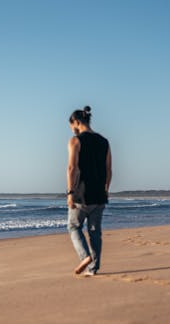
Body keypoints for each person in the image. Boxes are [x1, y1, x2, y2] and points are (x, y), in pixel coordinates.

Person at [66, 105, 112, 276]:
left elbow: (72, 168)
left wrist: (70, 193)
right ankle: (93, 269)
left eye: (72, 126)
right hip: (99, 195)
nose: (72, 130)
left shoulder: (75, 141)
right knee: (95, 233)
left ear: (77, 122)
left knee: (73, 226)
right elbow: (109, 170)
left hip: (81, 194)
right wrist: (106, 189)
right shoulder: (104, 141)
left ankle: (84, 257)